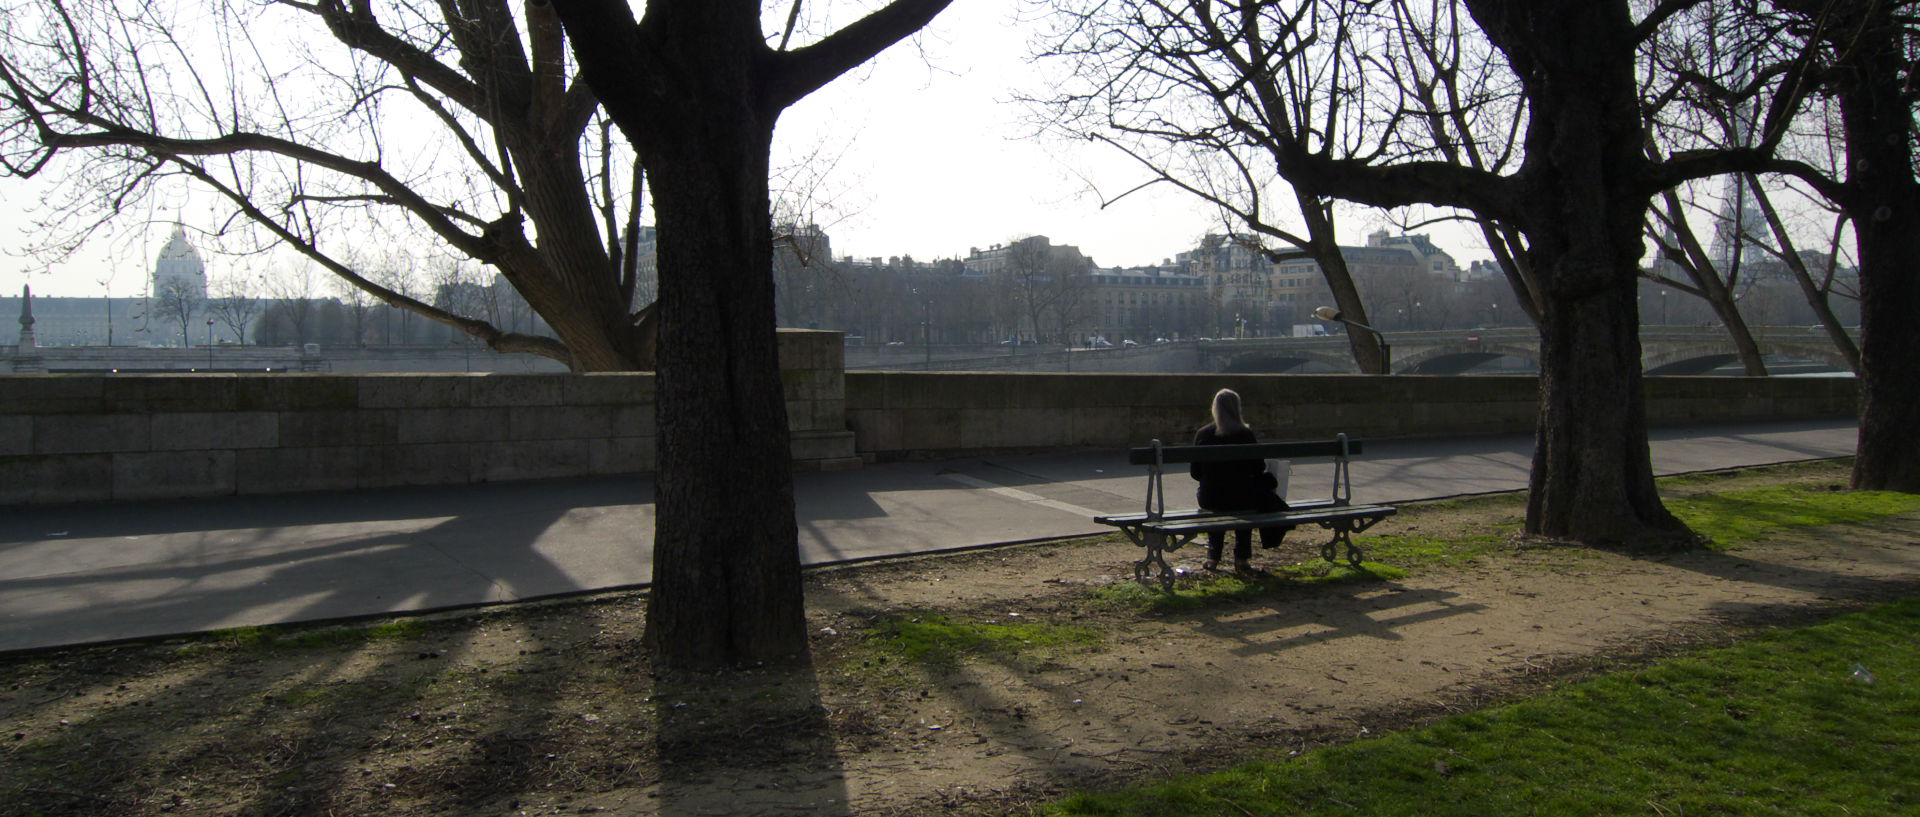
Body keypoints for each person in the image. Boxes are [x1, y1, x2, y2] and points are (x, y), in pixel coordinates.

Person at [1190, 388, 1290, 572]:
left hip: (1210, 497)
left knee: (1218, 498)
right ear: (1237, 408)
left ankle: (1213, 557)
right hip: (1241, 497)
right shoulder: (1245, 434)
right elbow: (1258, 468)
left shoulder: (1203, 434)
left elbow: (1195, 473)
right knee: (1244, 498)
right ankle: (1242, 558)